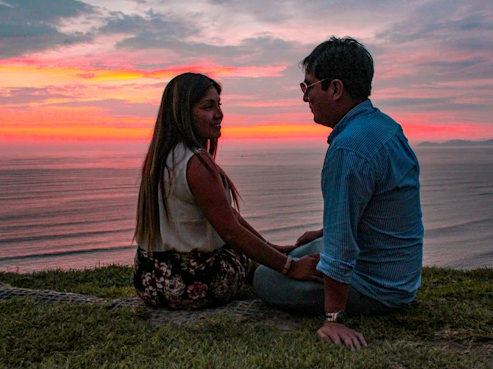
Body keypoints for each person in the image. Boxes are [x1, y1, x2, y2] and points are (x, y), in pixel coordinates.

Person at [254, 37, 424, 350]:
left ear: (335, 88)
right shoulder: (385, 127)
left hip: (377, 287)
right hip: (399, 275)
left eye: (309, 87)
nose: (305, 98)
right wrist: (324, 231)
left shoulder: (348, 149)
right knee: (303, 249)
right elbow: (381, 206)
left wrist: (334, 318)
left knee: (264, 278)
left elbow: (341, 246)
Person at [133, 73, 322, 310]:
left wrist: (269, 246)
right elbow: (231, 232)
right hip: (192, 284)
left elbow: (226, 213)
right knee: (241, 253)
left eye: (218, 105)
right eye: (208, 107)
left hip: (149, 280)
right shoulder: (196, 162)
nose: (219, 114)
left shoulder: (162, 158)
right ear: (184, 113)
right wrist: (289, 266)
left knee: (248, 250)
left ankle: (273, 259)